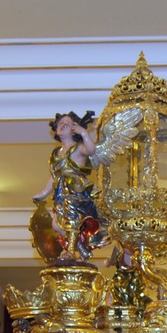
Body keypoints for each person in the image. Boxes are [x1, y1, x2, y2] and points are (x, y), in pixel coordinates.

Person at [33, 110, 106, 261]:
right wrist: (43, 194)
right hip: (61, 191)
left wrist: (84, 133)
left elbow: (91, 150)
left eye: (68, 123)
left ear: (75, 128)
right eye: (60, 123)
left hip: (76, 189)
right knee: (56, 225)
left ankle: (71, 251)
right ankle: (82, 250)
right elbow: (54, 177)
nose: (63, 125)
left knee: (71, 220)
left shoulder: (78, 147)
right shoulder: (56, 153)